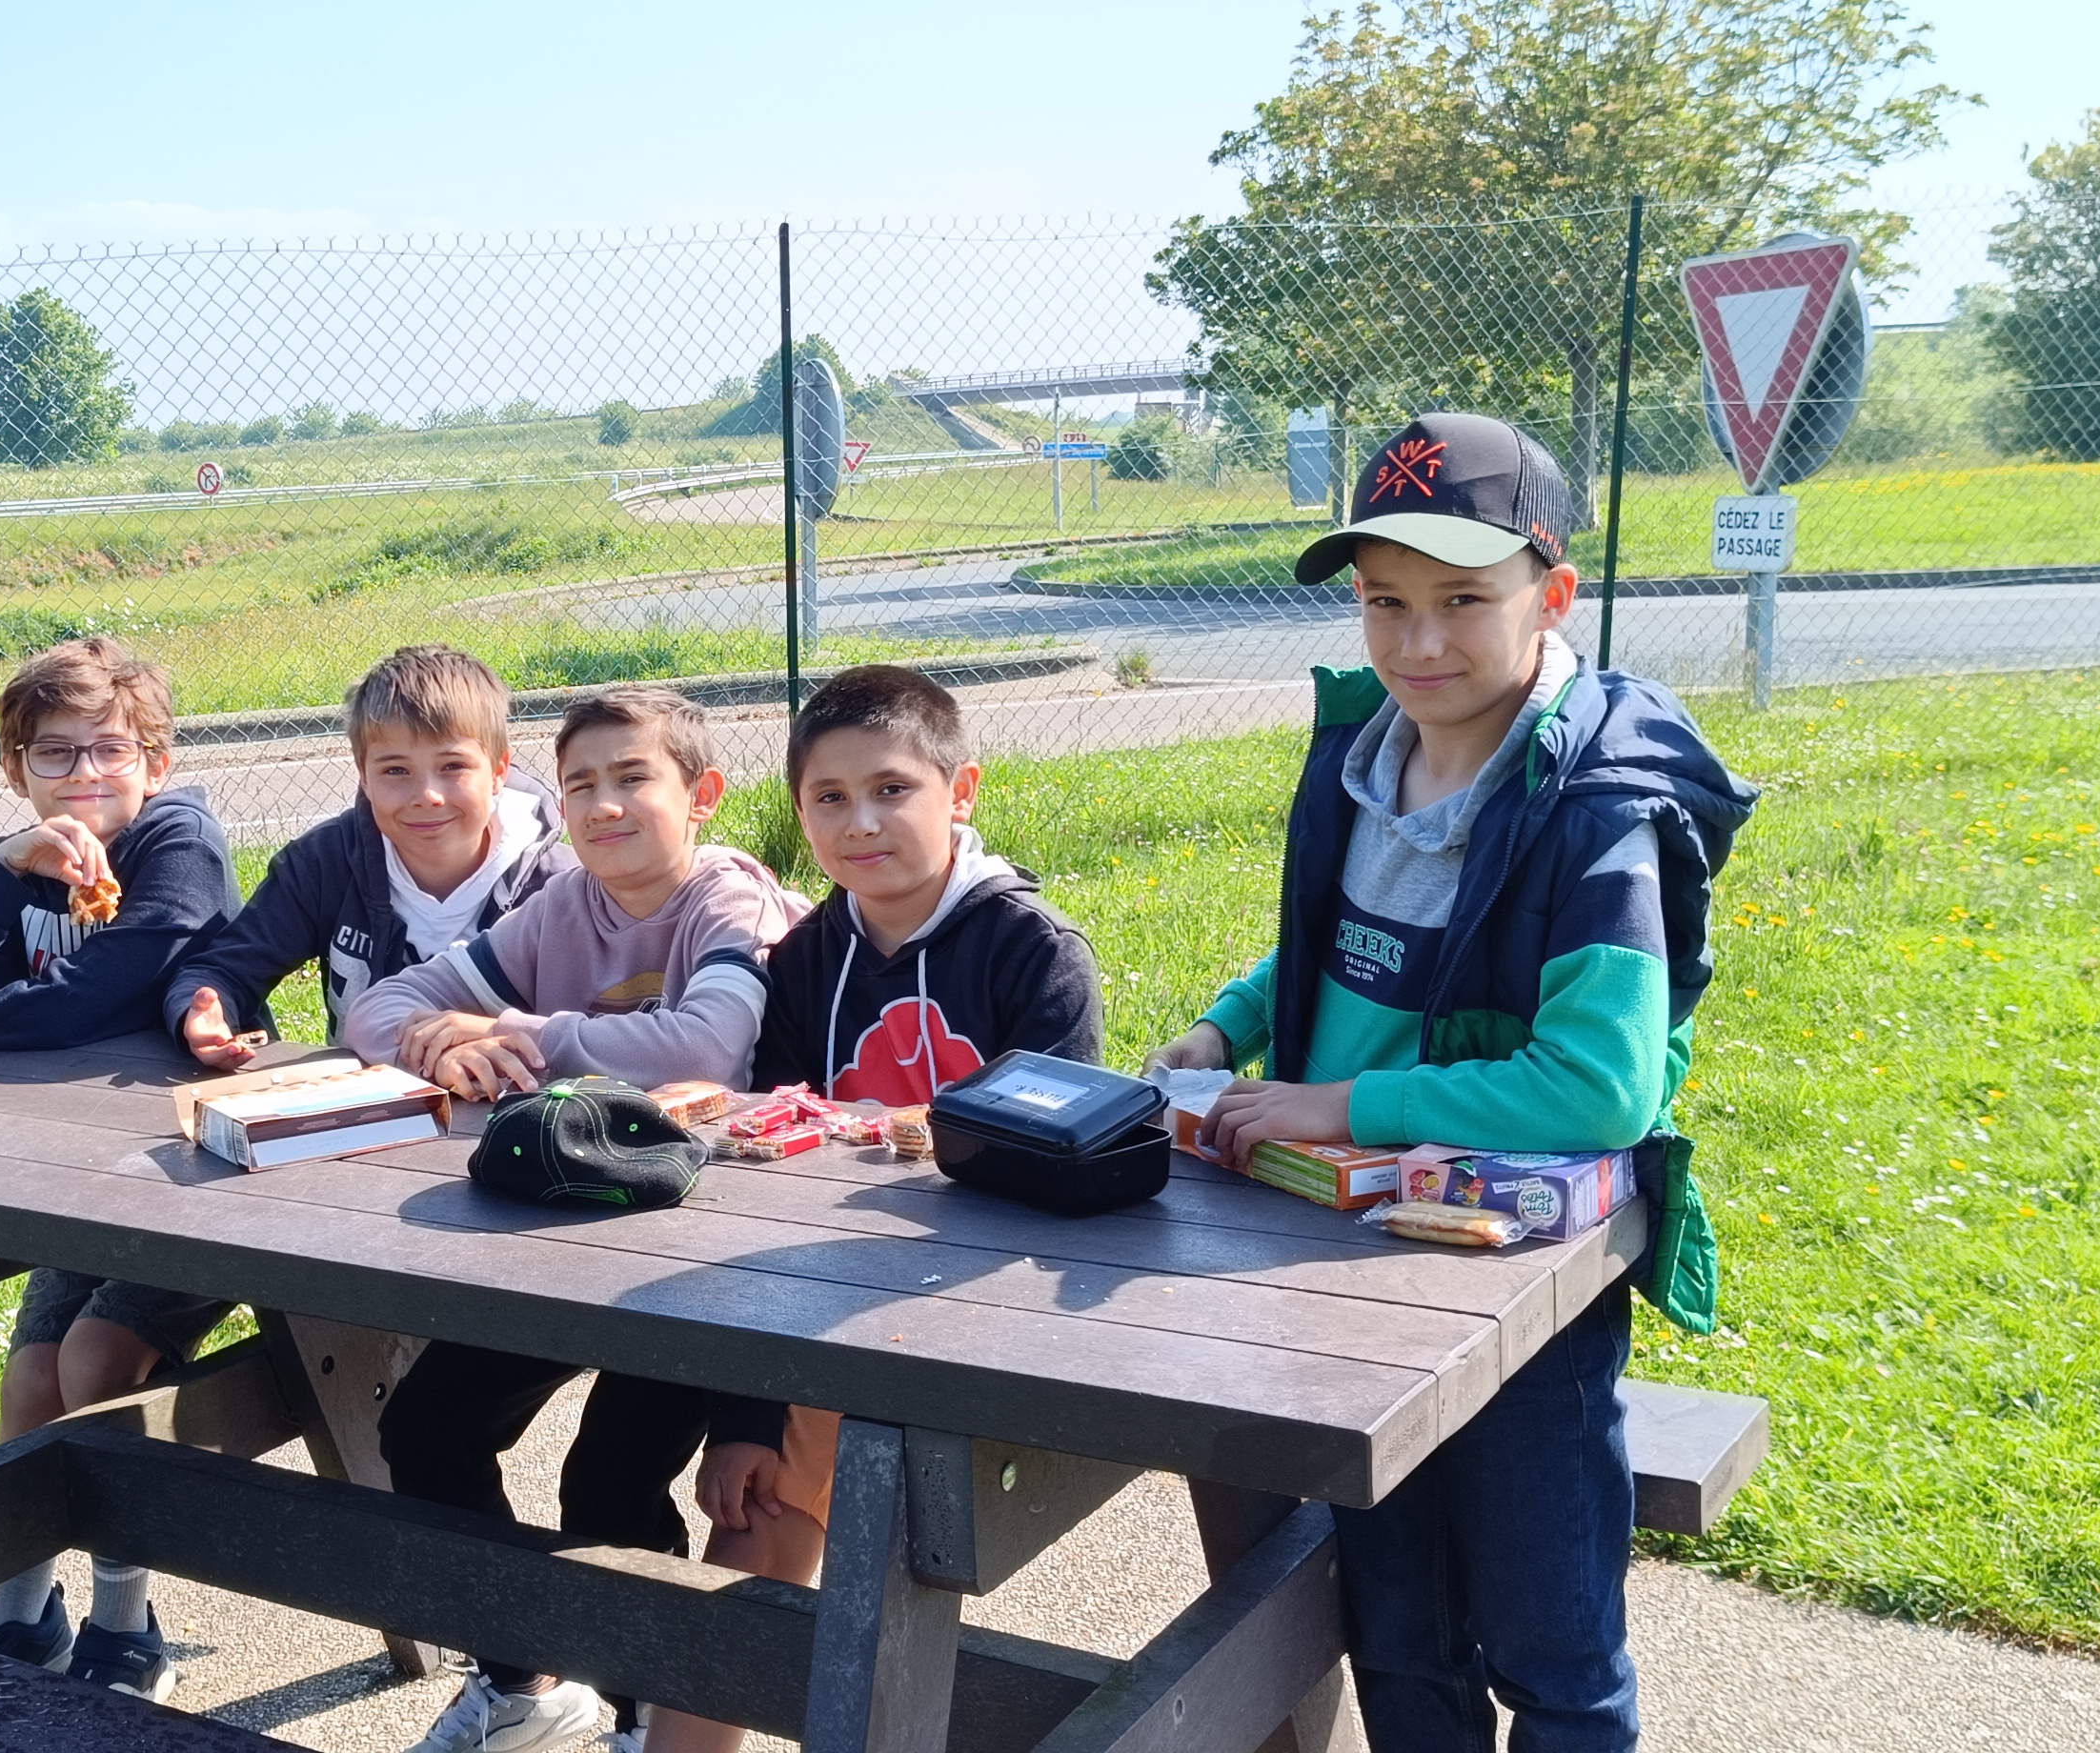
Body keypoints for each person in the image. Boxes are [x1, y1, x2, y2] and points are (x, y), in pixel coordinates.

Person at [1147, 413, 1751, 1753]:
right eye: (1385, 602)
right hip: (1340, 1264)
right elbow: (1340, 940)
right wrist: (1231, 1025)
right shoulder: (1368, 755)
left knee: (1551, 1650)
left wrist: (1344, 1105)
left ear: (1554, 593)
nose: (1419, 642)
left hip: (1513, 1290)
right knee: (1397, 1632)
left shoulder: (1595, 811)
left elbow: (1596, 1088)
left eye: (1464, 600)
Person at [644, 662, 1106, 1753]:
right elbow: (759, 1199)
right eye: (830, 798)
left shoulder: (1036, 952)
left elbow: (1060, 1171)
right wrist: (743, 1416)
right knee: (753, 1512)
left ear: (961, 790)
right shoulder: (805, 960)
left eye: (892, 789)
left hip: (984, 1322)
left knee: (877, 1568)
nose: (861, 822)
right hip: (833, 1317)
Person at [345, 686, 811, 1753]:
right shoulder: (564, 907)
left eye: (632, 778)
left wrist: (518, 1032)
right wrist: (437, 1041)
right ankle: (525, 1680)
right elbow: (376, 1008)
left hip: (703, 1260)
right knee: (425, 1429)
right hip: (560, 1242)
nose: (603, 806)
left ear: (701, 793)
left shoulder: (726, 898)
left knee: (606, 1480)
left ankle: (643, 1713)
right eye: (580, 786)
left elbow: (706, 1043)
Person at [0, 634, 241, 1702]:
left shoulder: (178, 843)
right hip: (81, 1174)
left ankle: (126, 1625)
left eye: (110, 750)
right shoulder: (27, 861)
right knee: (33, 1375)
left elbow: (91, 1003)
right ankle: (23, 1606)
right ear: (14, 769)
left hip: (199, 1173)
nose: (85, 774)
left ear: (155, 763)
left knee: (94, 1360)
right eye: (55, 754)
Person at [168, 643, 575, 1069]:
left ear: (498, 771)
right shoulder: (324, 863)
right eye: (396, 771)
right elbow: (227, 968)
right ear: (364, 776)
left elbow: (597, 1029)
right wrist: (204, 1009)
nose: (427, 796)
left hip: (519, 1099)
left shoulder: (561, 885)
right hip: (368, 1098)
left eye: (453, 766)